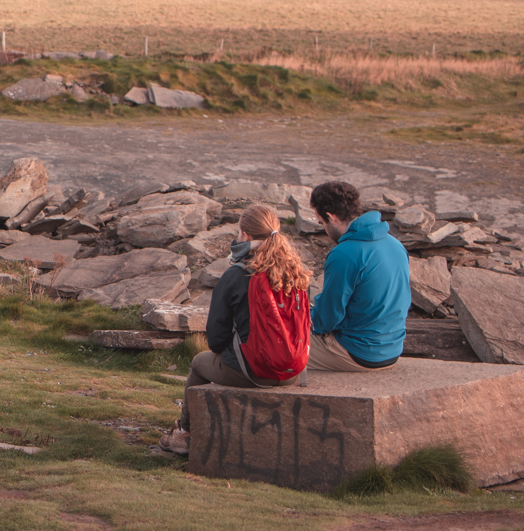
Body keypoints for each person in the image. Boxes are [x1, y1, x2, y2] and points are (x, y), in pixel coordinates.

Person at [161, 204, 311, 456]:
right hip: (292, 371)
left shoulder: (237, 274)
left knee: (199, 362)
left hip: (252, 371)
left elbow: (216, 339)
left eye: (239, 232)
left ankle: (185, 432)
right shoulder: (295, 274)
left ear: (246, 236)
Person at [306, 180, 411, 371]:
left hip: (357, 352)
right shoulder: (394, 244)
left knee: (271, 346)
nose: (323, 228)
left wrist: (297, 318)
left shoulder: (345, 253)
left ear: (331, 217)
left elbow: (327, 319)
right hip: (392, 348)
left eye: (321, 222)